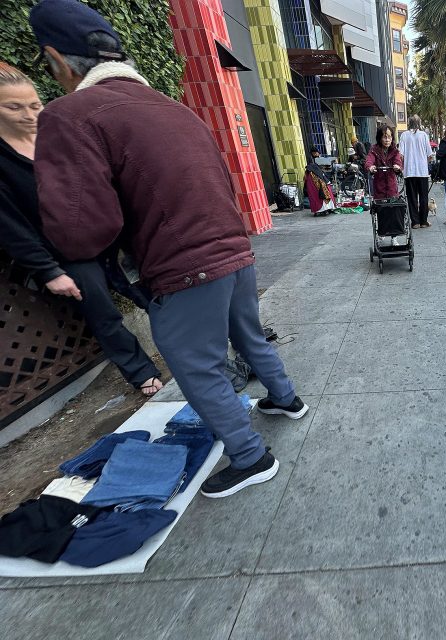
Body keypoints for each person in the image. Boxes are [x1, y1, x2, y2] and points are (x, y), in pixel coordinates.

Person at [29, 0, 308, 499]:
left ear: (56, 59)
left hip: (181, 266)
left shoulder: (68, 115)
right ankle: (286, 399)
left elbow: (82, 230)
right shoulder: (176, 110)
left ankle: (251, 457)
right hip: (234, 252)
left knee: (195, 366)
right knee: (248, 336)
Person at [0, 60, 163, 397]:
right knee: (103, 314)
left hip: (111, 237)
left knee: (155, 294)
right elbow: (10, 226)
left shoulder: (57, 136)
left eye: (34, 105)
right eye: (13, 107)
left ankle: (192, 347)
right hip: (65, 254)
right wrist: (48, 270)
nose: (29, 114)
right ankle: (140, 371)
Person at [397, 114, 433, 228]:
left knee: (412, 197)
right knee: (424, 197)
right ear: (419, 123)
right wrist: (423, 161)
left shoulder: (404, 135)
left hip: (409, 171)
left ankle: (415, 222)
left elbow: (400, 155)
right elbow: (430, 155)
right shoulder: (423, 135)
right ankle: (423, 221)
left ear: (409, 123)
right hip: (422, 171)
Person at [364, 125, 403, 199]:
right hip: (379, 188)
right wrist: (370, 167)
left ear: (392, 138)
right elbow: (369, 160)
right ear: (380, 138)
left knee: (394, 207)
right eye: (385, 137)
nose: (387, 140)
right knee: (379, 207)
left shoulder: (395, 151)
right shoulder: (374, 150)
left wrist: (398, 166)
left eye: (389, 137)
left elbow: (398, 161)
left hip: (392, 188)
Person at [304, 146, 336, 215]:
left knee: (323, 191)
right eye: (316, 153)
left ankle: (326, 208)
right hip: (317, 180)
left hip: (317, 179)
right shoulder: (313, 163)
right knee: (323, 191)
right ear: (314, 153)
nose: (317, 154)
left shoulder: (314, 161)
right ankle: (325, 209)